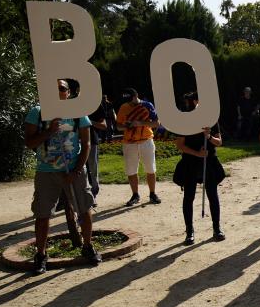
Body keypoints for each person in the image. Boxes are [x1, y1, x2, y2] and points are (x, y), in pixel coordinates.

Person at [24, 79, 101, 274]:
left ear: (68, 92)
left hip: (74, 170)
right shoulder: (37, 112)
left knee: (84, 209)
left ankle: (88, 246)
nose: (59, 92)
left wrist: (76, 171)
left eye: (62, 88)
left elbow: (87, 144)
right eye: (54, 88)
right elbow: (30, 143)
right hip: (46, 171)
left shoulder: (77, 112)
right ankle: (41, 255)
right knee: (42, 215)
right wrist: (49, 132)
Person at [174, 92, 226, 244]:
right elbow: (180, 145)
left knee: (212, 194)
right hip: (190, 162)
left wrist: (209, 136)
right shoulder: (184, 120)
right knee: (188, 196)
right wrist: (197, 153)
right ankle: (189, 231)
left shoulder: (210, 119)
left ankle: (217, 228)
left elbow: (219, 142)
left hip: (208, 162)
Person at [116, 88, 161, 206]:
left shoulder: (147, 105)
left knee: (150, 168)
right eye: (127, 101)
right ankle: (135, 194)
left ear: (136, 96)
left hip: (146, 140)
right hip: (129, 142)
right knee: (131, 170)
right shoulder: (123, 107)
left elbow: (156, 123)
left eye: (130, 100)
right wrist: (126, 126)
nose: (129, 103)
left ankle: (152, 193)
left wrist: (140, 123)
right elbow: (118, 126)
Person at [85, 98, 107, 204]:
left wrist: (88, 121)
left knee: (92, 169)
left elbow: (104, 125)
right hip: (73, 141)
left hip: (91, 141)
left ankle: (93, 195)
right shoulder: (71, 103)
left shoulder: (95, 105)